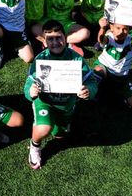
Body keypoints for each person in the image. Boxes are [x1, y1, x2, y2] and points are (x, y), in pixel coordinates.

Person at [25, 20, 98, 170]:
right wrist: (30, 91)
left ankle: (59, 124)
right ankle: (35, 145)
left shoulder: (76, 59)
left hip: (66, 104)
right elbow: (28, 83)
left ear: (66, 38)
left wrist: (88, 91)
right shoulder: (40, 59)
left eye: (58, 37)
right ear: (44, 42)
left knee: (59, 135)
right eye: (50, 39)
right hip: (44, 101)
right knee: (44, 128)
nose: (55, 42)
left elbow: (91, 81)